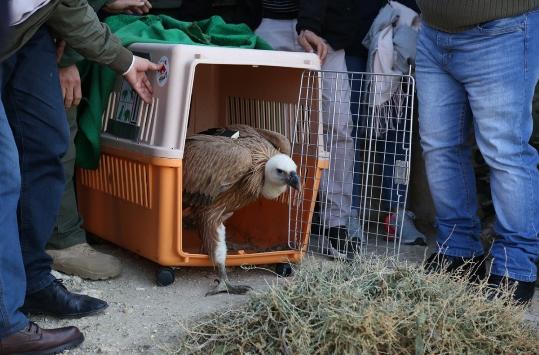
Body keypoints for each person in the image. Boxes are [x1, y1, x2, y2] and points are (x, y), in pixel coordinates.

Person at [0, 1, 161, 353]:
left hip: (28, 35)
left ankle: (31, 279)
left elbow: (69, 6)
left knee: (47, 144)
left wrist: (127, 62)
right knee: (3, 173)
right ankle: (4, 322)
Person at [415, 1, 539, 304]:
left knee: (505, 153)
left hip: (502, 30)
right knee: (439, 147)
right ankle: (458, 252)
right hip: (433, 31)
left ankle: (516, 265)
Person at [47, 0, 152, 281]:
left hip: (43, 32)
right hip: (34, 41)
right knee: (53, 135)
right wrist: (64, 61)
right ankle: (60, 240)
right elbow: (63, 8)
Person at [252, 0, 359, 257]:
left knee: (338, 125)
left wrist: (310, 24)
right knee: (264, 124)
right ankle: (261, 218)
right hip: (266, 21)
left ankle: (336, 225)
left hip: (325, 30)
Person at [345, 0, 427, 246]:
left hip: (402, 39)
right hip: (353, 40)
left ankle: (398, 214)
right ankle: (349, 213)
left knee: (399, 135)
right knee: (351, 132)